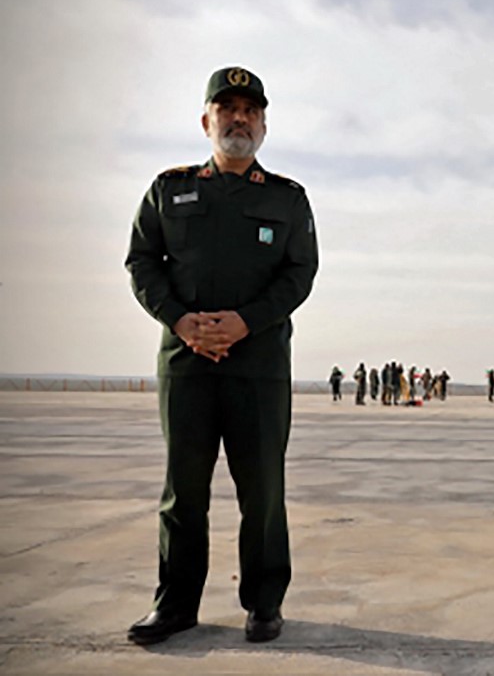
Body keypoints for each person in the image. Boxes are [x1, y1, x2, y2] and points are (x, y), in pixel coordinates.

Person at [124, 66, 318, 645]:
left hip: (257, 367)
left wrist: (244, 322)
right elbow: (141, 262)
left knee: (261, 489)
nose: (239, 119)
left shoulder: (287, 199)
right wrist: (182, 321)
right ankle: (176, 604)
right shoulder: (170, 189)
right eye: (227, 108)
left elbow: (299, 273)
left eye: (250, 110)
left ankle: (263, 604)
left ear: (263, 124)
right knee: (184, 490)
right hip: (186, 363)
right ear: (206, 120)